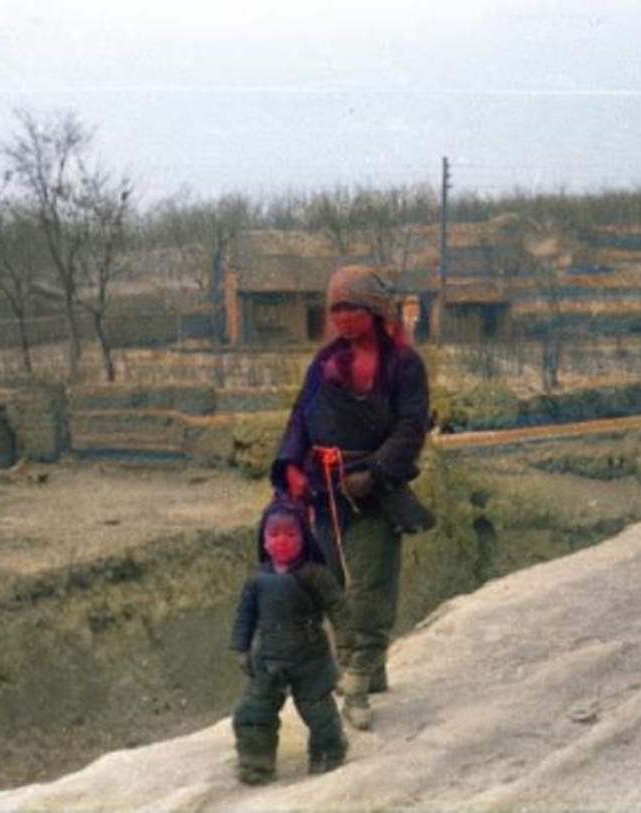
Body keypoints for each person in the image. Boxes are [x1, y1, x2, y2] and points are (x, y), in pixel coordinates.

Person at [272, 264, 431, 731]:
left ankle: (357, 683)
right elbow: (300, 417)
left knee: (368, 587)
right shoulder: (324, 364)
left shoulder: (403, 365)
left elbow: (410, 427)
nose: (342, 318)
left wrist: (377, 471)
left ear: (375, 311)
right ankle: (373, 668)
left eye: (352, 308)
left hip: (373, 493)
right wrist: (292, 466)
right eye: (335, 308)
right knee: (337, 586)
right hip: (326, 493)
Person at [230, 497, 351, 785]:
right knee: (253, 712)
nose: (281, 541)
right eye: (274, 534)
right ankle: (256, 762)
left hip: (310, 659)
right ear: (263, 539)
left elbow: (339, 608)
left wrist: (346, 641)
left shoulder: (315, 575)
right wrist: (240, 648)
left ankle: (329, 752)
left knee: (318, 712)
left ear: (304, 537)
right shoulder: (257, 579)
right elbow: (244, 616)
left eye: (290, 534)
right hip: (268, 660)